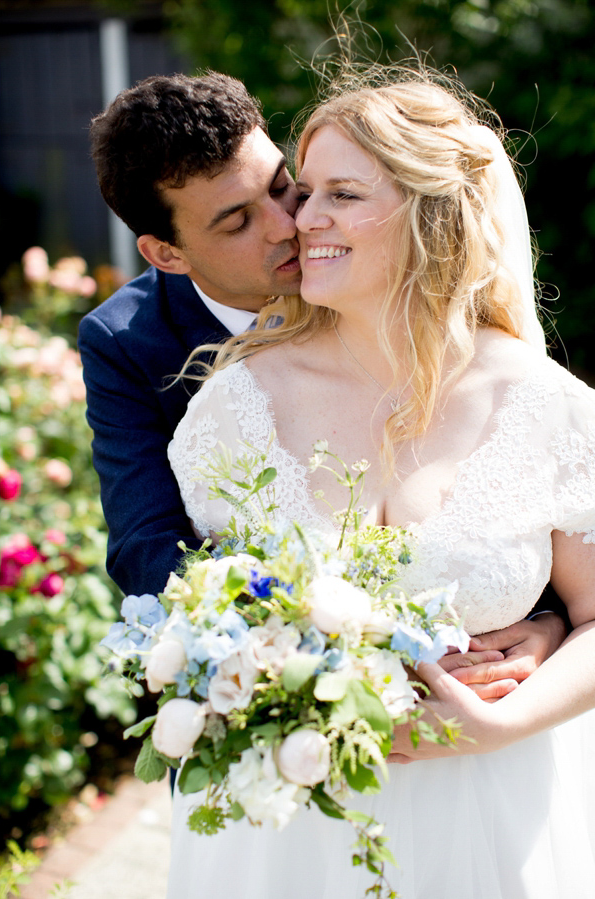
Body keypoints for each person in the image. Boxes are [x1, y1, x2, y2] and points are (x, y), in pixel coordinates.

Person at [163, 71, 595, 896]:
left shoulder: (546, 406)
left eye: (343, 193)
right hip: (287, 834)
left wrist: (497, 722)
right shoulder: (235, 407)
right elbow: (214, 614)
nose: (304, 218)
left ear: (432, 213)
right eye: (307, 189)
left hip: (492, 819)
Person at [78, 71, 565, 701]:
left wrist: (548, 621)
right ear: (168, 254)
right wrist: (323, 654)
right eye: (236, 223)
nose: (292, 224)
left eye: (283, 186)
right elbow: (148, 548)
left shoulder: (369, 270)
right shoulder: (125, 340)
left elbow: (509, 483)